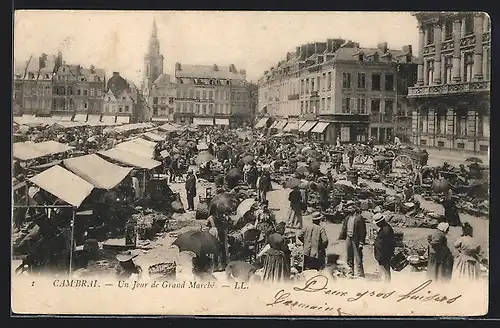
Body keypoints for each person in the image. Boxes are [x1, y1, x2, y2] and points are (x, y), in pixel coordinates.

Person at [338, 203, 366, 278]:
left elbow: (363, 231)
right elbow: (344, 227)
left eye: (350, 208)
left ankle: (361, 274)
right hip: (348, 238)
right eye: (348, 208)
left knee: (358, 258)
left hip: (356, 239)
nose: (349, 210)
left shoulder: (359, 218)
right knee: (349, 256)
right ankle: (350, 272)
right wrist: (342, 237)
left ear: (354, 208)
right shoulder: (347, 217)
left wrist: (361, 242)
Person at [373, 213, 396, 282]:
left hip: (384, 254)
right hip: (382, 253)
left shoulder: (386, 229)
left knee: (385, 271)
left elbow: (388, 243)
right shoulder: (385, 228)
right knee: (384, 270)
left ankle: (386, 284)